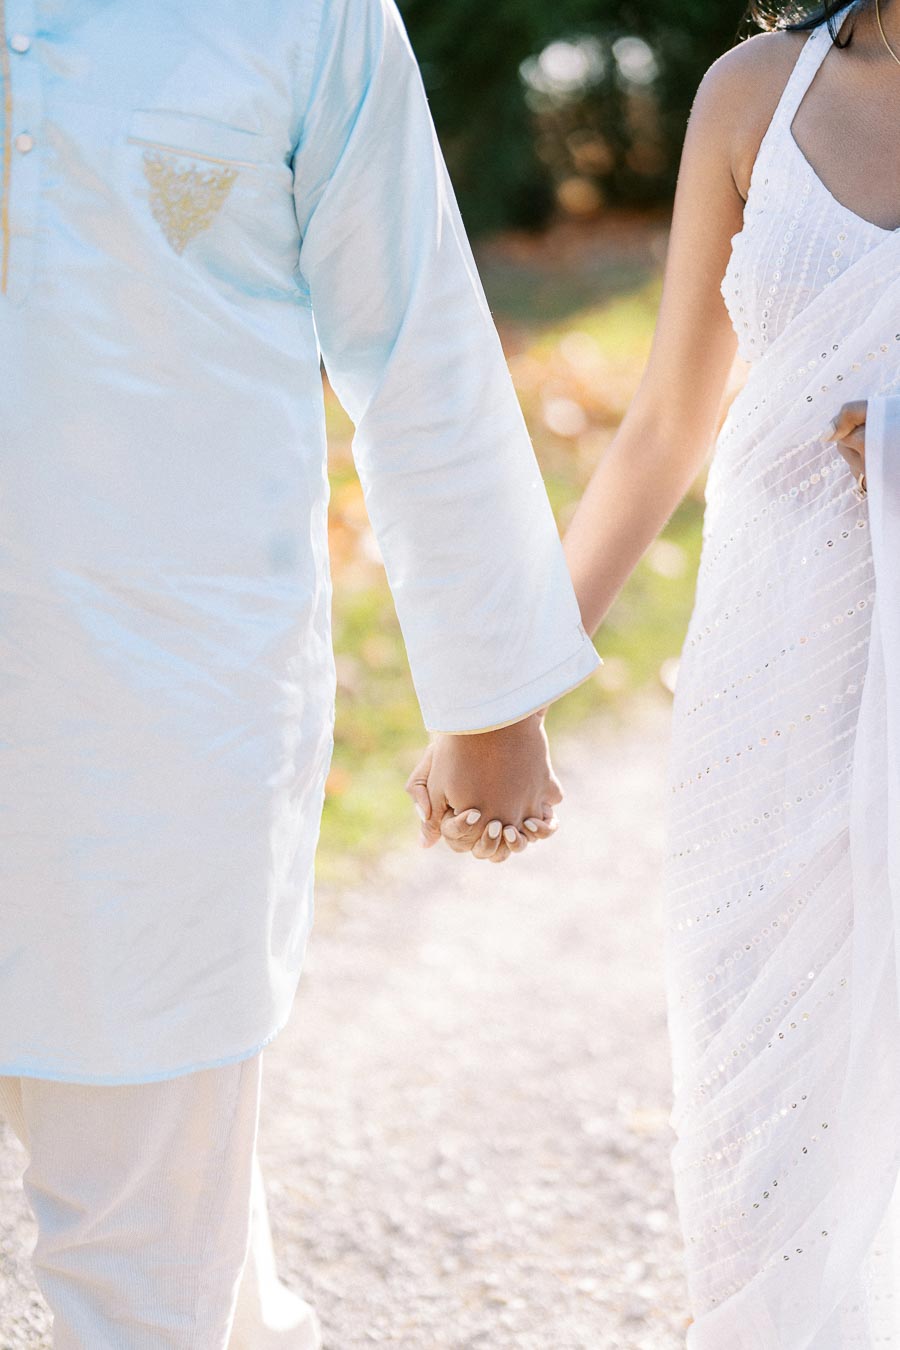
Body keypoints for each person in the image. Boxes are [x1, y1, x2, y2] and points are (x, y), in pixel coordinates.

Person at [0, 0, 601, 1343]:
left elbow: (418, 347)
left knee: (143, 1263)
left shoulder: (306, 18)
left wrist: (489, 695)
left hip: (158, 731)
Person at [412, 0, 900, 1343]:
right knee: (763, 1113)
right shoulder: (759, 93)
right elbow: (665, 428)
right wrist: (498, 690)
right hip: (774, 678)